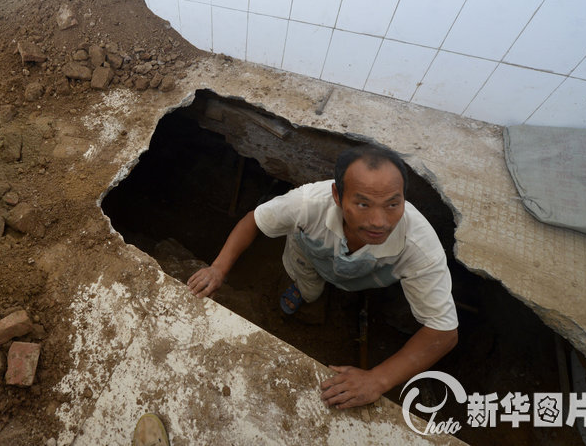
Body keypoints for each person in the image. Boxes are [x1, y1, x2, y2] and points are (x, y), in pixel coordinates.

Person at [186, 144, 458, 409]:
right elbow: (254, 220)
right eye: (363, 204)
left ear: (404, 197)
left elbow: (444, 331)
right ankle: (306, 292)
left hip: (365, 278)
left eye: (392, 204)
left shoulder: (420, 244)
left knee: (352, 285)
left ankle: (337, 291)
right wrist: (218, 268)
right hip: (310, 257)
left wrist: (377, 379)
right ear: (337, 196)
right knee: (310, 290)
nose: (379, 221)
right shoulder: (307, 204)